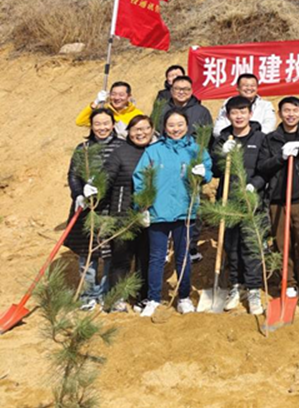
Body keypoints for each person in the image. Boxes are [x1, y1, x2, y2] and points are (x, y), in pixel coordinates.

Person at [134, 109, 213, 317]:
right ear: (164, 127)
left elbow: (207, 170)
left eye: (180, 125)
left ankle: (183, 297)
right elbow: (140, 179)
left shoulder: (196, 150)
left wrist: (204, 174)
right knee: (156, 257)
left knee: (183, 256)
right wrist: (142, 206)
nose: (175, 129)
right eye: (171, 125)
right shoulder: (153, 151)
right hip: (157, 211)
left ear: (187, 126)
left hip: (185, 211)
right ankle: (153, 299)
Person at [259, 97, 299, 309]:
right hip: (278, 199)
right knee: (281, 243)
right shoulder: (271, 139)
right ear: (280, 113)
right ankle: (289, 283)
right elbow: (263, 166)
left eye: (295, 110)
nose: (291, 114)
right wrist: (281, 157)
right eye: (286, 110)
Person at [209, 96, 267, 315]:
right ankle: (236, 285)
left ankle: (253, 290)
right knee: (231, 246)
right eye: (234, 112)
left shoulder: (261, 138)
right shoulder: (223, 139)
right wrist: (222, 155)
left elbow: (266, 169)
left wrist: (254, 185)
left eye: (243, 112)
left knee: (251, 246)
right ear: (228, 115)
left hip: (252, 201)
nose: (239, 116)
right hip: (228, 200)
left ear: (250, 114)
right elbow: (215, 170)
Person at [65, 108, 121, 310]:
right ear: (91, 126)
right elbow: (73, 175)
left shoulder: (121, 147)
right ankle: (89, 294)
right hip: (87, 209)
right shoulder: (84, 149)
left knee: (109, 253)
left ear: (113, 124)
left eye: (106, 123)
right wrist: (79, 193)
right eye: (97, 124)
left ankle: (105, 292)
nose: (102, 128)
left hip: (111, 208)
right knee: (87, 254)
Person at [155, 74, 213, 262]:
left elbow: (206, 138)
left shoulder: (201, 111)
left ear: (191, 91)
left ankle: (190, 245)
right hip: (166, 162)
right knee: (164, 201)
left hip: (191, 164)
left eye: (186, 89)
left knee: (191, 204)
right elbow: (154, 133)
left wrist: (200, 162)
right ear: (171, 90)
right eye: (178, 89)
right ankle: (165, 246)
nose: (182, 92)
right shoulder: (162, 108)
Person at [104, 114, 155, 312]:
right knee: (121, 258)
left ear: (152, 130)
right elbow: (107, 176)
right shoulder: (120, 152)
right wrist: (94, 188)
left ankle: (143, 297)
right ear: (129, 132)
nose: (141, 133)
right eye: (136, 129)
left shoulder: (157, 151)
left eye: (146, 128)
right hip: (123, 214)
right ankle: (118, 297)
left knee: (145, 258)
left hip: (150, 215)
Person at [75, 81, 143, 138]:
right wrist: (95, 102)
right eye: (113, 94)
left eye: (121, 95)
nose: (116, 98)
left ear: (129, 96)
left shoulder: (138, 115)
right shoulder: (104, 112)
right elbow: (80, 122)